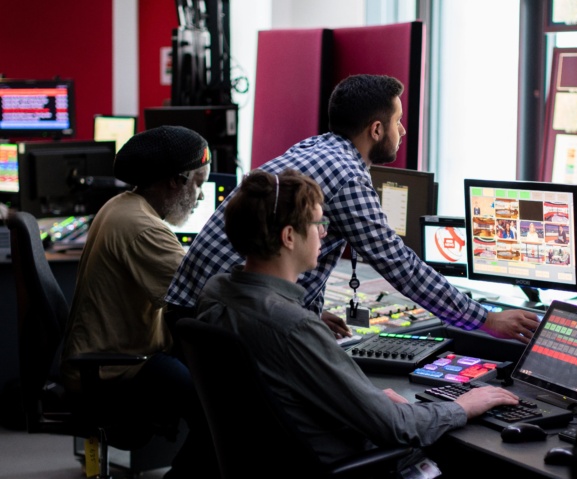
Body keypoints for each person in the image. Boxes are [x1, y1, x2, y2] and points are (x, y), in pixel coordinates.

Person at [167, 74, 539, 343]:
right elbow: (399, 264)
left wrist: (308, 316)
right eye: (397, 122)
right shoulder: (346, 175)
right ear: (376, 130)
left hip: (197, 312)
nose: (403, 131)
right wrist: (486, 319)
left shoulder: (315, 147)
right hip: (230, 322)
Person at [196, 169, 520, 467]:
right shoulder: (295, 327)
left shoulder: (217, 292)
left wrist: (369, 401)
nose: (324, 235)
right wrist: (464, 404)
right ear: (289, 236)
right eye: (318, 224)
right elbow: (398, 428)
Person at [61, 125, 219, 479]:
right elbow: (204, 292)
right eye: (198, 182)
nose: (199, 194)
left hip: (109, 361)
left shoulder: (123, 206)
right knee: (220, 412)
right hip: (116, 371)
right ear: (174, 182)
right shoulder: (144, 228)